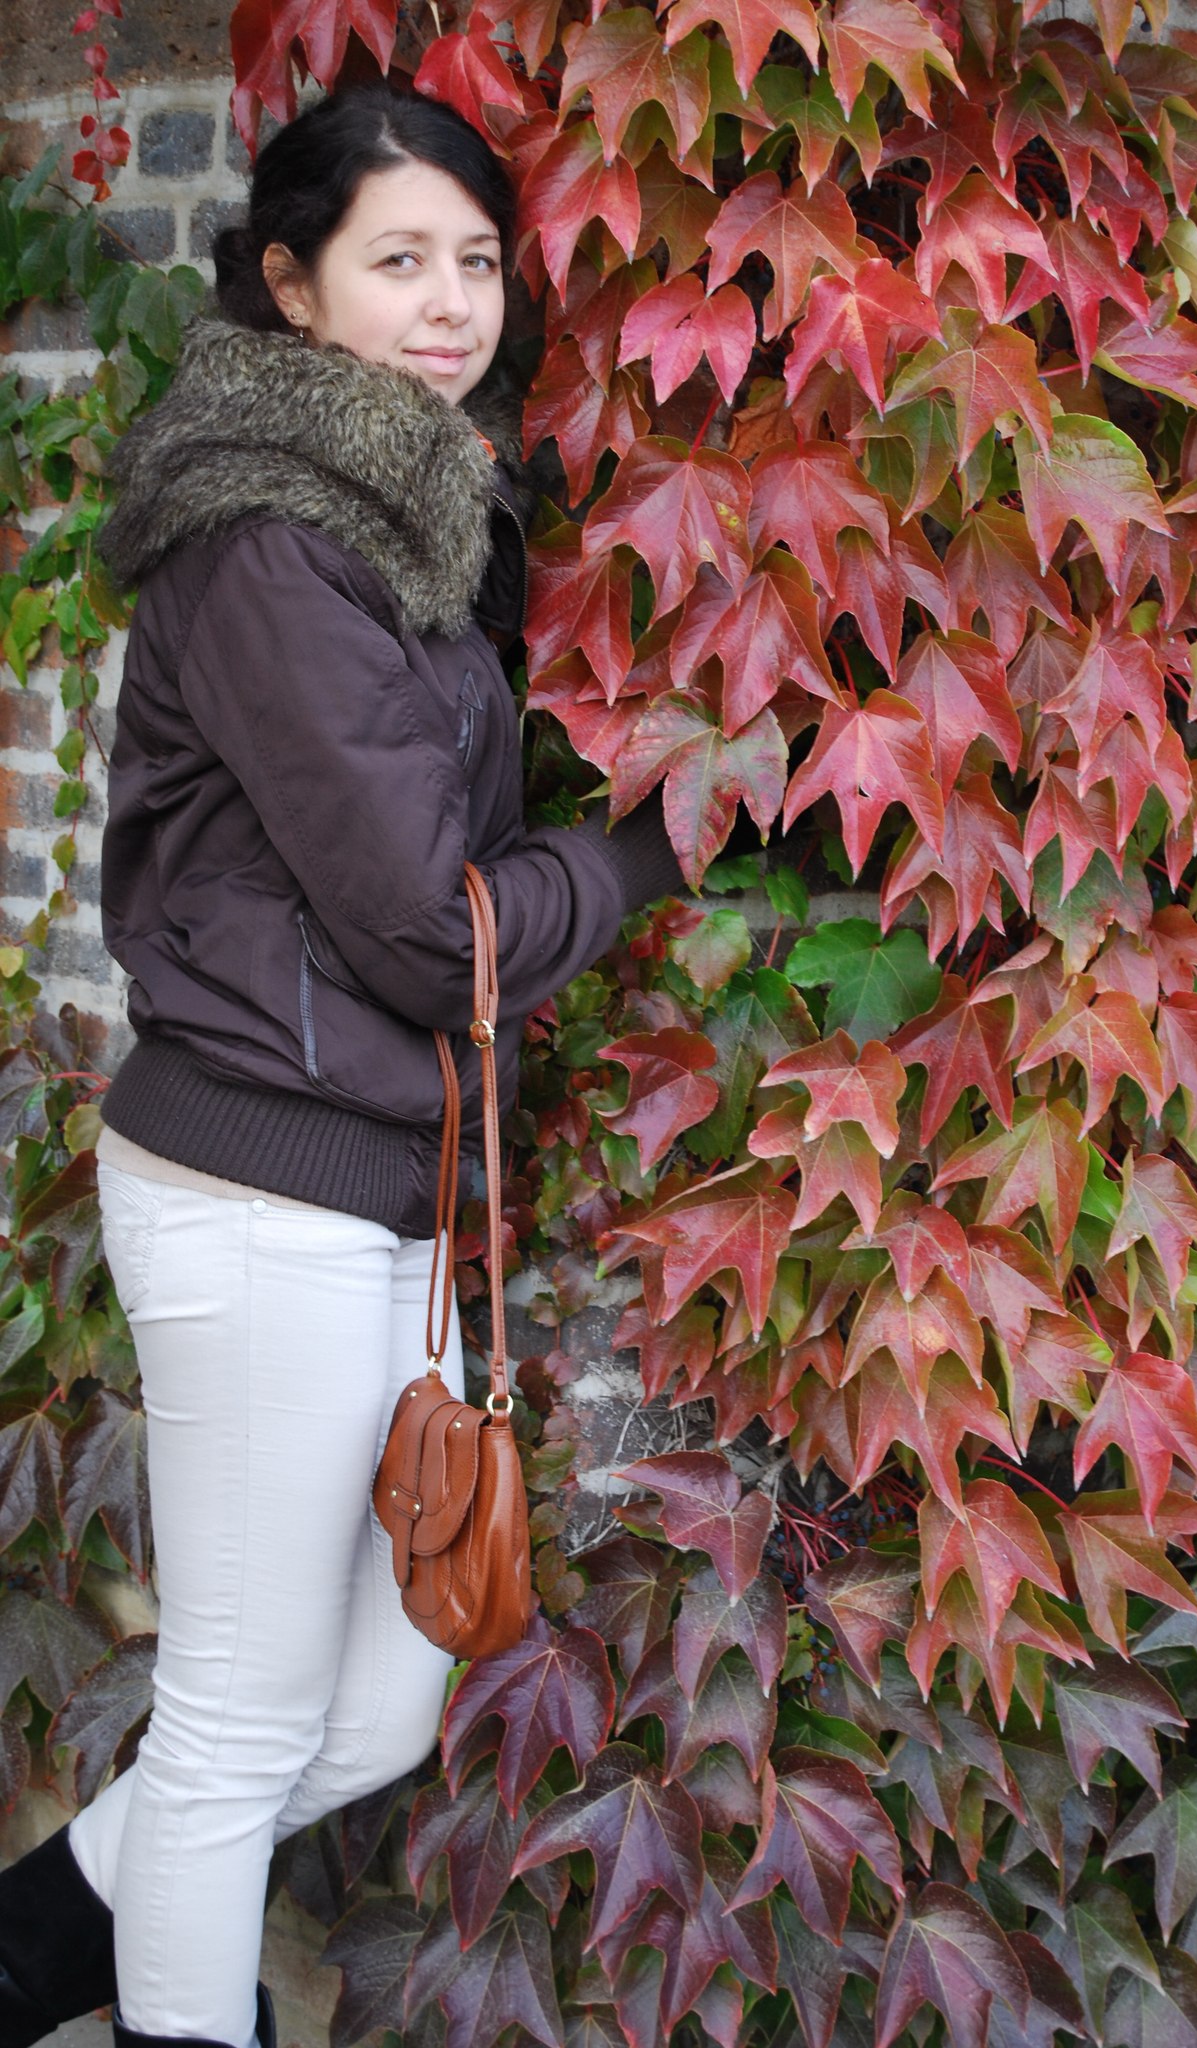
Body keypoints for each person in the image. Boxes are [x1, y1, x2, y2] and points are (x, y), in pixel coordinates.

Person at [0, 80, 681, 2048]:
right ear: (292, 284)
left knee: (377, 1707)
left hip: (385, 1180)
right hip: (253, 1185)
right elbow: (422, 931)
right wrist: (648, 853)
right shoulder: (271, 542)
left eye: (477, 260)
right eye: (400, 260)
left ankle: (37, 1939)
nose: (452, 302)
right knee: (237, 1719)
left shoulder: (425, 516)